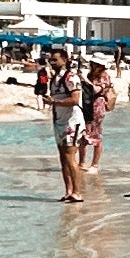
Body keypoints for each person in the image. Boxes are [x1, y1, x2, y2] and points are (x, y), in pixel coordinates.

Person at [49, 54, 89, 202]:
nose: (51, 62)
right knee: (62, 158)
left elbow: (74, 99)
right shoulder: (54, 80)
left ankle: (77, 192)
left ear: (65, 60)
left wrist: (54, 101)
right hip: (59, 122)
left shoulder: (71, 77)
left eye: (55, 59)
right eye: (51, 59)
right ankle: (68, 190)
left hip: (73, 122)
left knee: (69, 156)